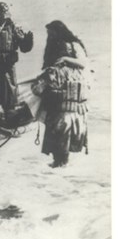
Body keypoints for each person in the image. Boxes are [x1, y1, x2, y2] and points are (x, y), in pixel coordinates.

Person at [31, 20, 89, 167]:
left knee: (60, 136)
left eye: (51, 34)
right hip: (72, 105)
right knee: (64, 138)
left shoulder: (57, 70)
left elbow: (37, 89)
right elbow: (83, 63)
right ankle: (61, 166)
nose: (49, 37)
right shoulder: (76, 73)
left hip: (62, 107)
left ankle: (59, 166)